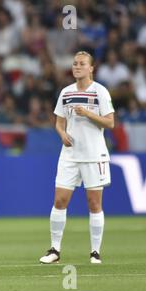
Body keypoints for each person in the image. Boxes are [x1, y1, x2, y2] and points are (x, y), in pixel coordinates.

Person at [39, 51, 115, 265]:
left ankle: (95, 252)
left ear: (91, 68)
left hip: (94, 154)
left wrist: (88, 113)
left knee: (93, 204)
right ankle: (54, 250)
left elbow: (110, 123)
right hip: (70, 155)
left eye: (82, 64)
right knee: (60, 201)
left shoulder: (99, 91)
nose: (77, 67)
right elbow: (59, 122)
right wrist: (62, 134)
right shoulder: (66, 92)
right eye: (74, 64)